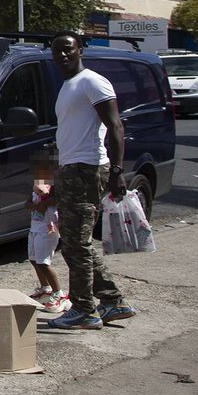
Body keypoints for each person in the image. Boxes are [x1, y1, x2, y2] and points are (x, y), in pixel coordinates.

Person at [46, 33, 137, 330]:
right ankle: (112, 301)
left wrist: (117, 171)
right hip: (72, 169)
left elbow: (115, 126)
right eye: (57, 50)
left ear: (80, 51)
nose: (62, 55)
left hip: (88, 168)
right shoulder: (68, 86)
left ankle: (85, 309)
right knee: (74, 242)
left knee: (76, 244)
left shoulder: (92, 81)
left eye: (67, 50)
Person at [26, 177, 68, 313]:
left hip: (48, 230)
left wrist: (44, 202)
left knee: (44, 263)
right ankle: (45, 289)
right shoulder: (36, 187)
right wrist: (36, 204)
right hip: (35, 229)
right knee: (33, 260)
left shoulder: (55, 188)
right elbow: (27, 204)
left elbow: (56, 200)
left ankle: (59, 294)